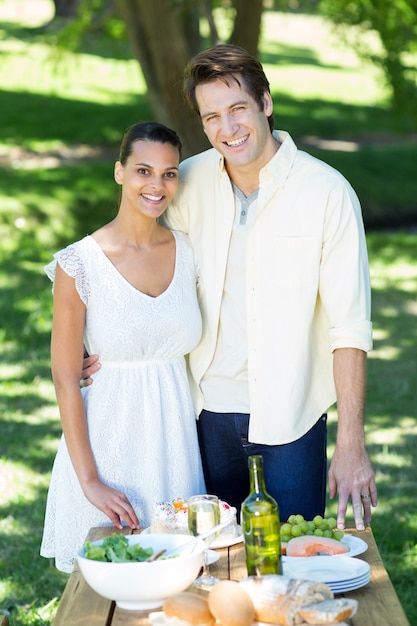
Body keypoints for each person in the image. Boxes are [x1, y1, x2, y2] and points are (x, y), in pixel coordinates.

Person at [82, 45, 377, 530]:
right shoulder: (187, 181)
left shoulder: (327, 193)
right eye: (212, 116)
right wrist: (88, 336)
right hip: (203, 416)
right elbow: (137, 251)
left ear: (265, 103)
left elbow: (349, 328)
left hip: (293, 416)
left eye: (238, 108)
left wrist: (351, 445)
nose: (228, 128)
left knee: (293, 561)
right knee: (209, 566)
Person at [41, 121, 206, 573]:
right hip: (107, 446)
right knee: (103, 599)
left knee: (178, 586)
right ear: (119, 172)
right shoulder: (81, 264)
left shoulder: (190, 251)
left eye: (169, 173)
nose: (156, 185)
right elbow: (64, 377)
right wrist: (90, 481)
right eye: (143, 171)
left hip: (175, 444)